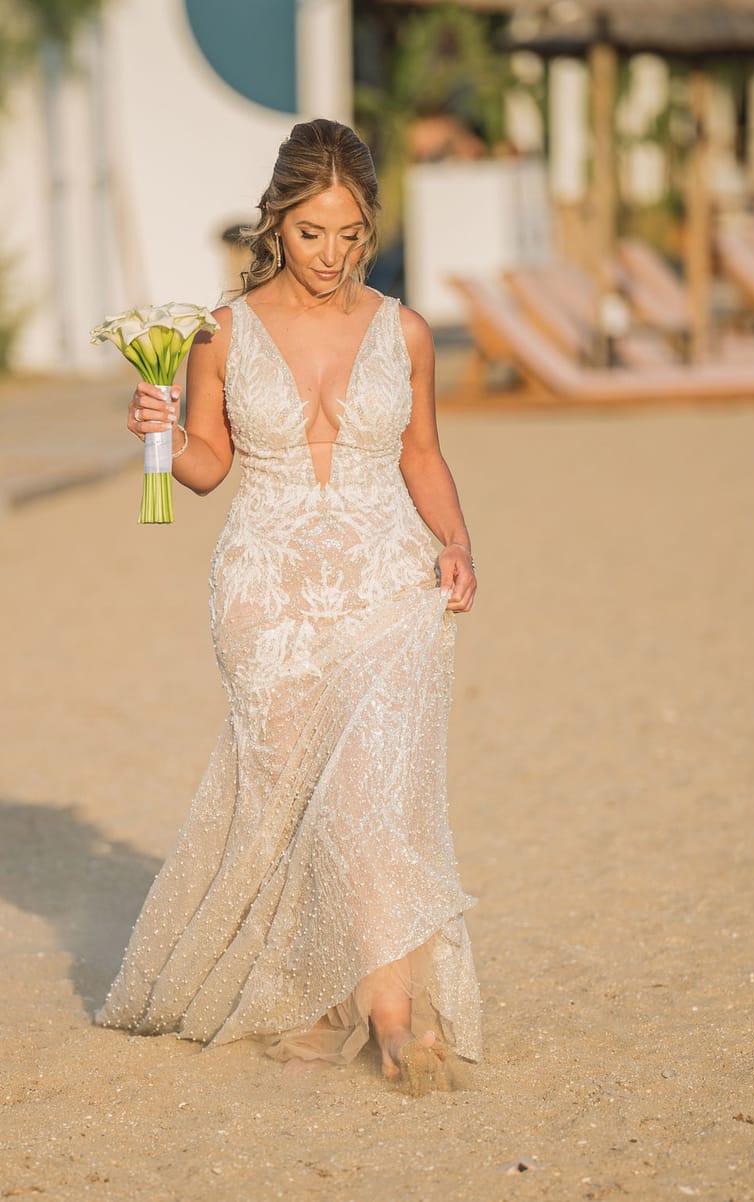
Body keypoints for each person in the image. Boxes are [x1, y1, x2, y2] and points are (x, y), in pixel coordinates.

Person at [95, 118, 481, 1096]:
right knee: (294, 798)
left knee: (371, 798)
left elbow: (422, 455)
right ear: (276, 222)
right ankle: (313, 992)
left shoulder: (403, 331)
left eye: (349, 234)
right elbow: (204, 469)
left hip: (386, 577)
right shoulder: (221, 333)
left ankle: (392, 1020)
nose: (330, 254)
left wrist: (456, 542)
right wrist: (155, 433)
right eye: (312, 233)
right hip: (264, 590)